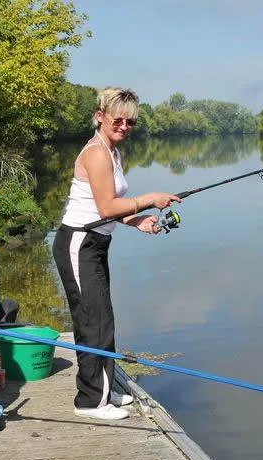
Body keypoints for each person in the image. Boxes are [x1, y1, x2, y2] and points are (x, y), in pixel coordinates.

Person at [52, 88, 180, 421]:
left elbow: (110, 209)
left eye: (131, 122)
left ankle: (104, 389)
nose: (124, 126)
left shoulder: (112, 152)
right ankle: (91, 401)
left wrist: (138, 221)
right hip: (78, 243)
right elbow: (108, 205)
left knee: (102, 318)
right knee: (93, 321)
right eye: (117, 119)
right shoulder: (95, 153)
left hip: (95, 244)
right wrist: (150, 197)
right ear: (100, 116)